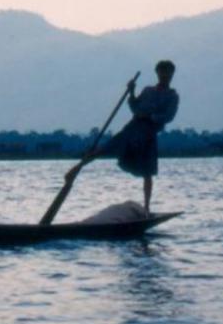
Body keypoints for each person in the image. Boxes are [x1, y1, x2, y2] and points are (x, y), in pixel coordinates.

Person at [66, 60, 179, 213]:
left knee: (148, 171)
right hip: (133, 128)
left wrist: (151, 116)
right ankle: (76, 169)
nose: (165, 75)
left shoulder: (172, 96)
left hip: (148, 133)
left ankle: (146, 207)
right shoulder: (148, 91)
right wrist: (131, 91)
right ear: (157, 73)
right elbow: (134, 107)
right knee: (105, 148)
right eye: (162, 72)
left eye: (168, 72)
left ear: (172, 74)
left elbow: (168, 116)